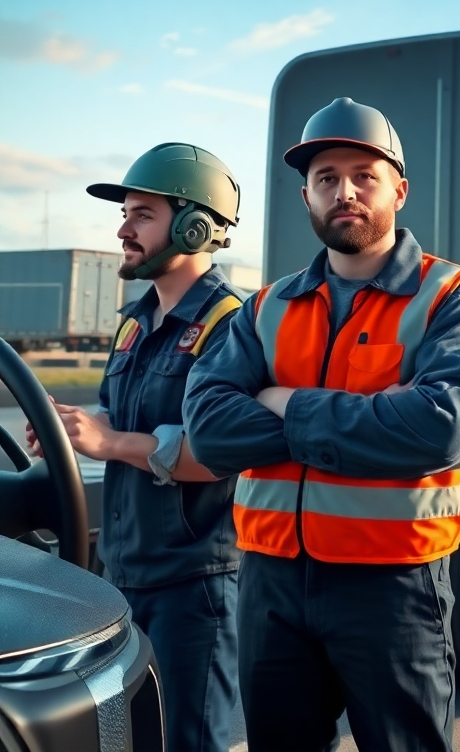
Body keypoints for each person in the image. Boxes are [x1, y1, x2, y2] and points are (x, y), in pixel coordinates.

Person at [183, 97, 460, 752]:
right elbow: (209, 426)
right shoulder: (267, 307)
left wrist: (282, 401)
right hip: (271, 586)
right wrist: (370, 421)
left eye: (364, 176)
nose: (346, 192)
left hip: (392, 586)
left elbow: (438, 428)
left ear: (399, 190)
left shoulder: (453, 298)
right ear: (306, 194)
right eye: (327, 178)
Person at [26, 142, 245, 752]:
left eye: (141, 214)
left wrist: (111, 441)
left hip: (194, 585)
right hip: (122, 574)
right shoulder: (133, 321)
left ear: (195, 224)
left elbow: (220, 452)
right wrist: (71, 425)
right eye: (125, 213)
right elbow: (116, 414)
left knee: (187, 741)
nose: (123, 229)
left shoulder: (232, 325)